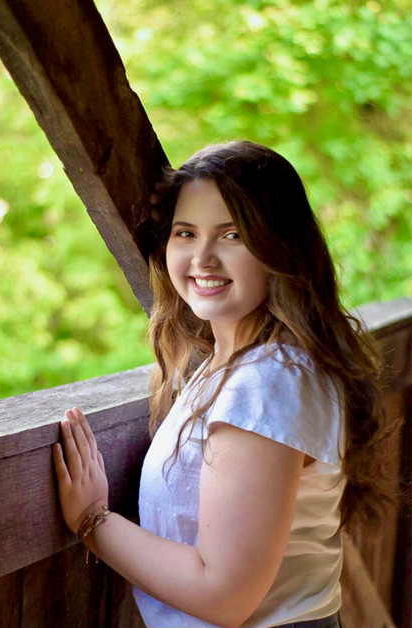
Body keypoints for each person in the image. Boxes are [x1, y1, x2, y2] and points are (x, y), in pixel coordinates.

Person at [53, 141, 389, 628]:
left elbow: (225, 595)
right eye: (185, 232)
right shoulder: (233, 366)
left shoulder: (268, 382)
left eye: (232, 234)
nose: (202, 257)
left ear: (279, 247)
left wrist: (93, 521)